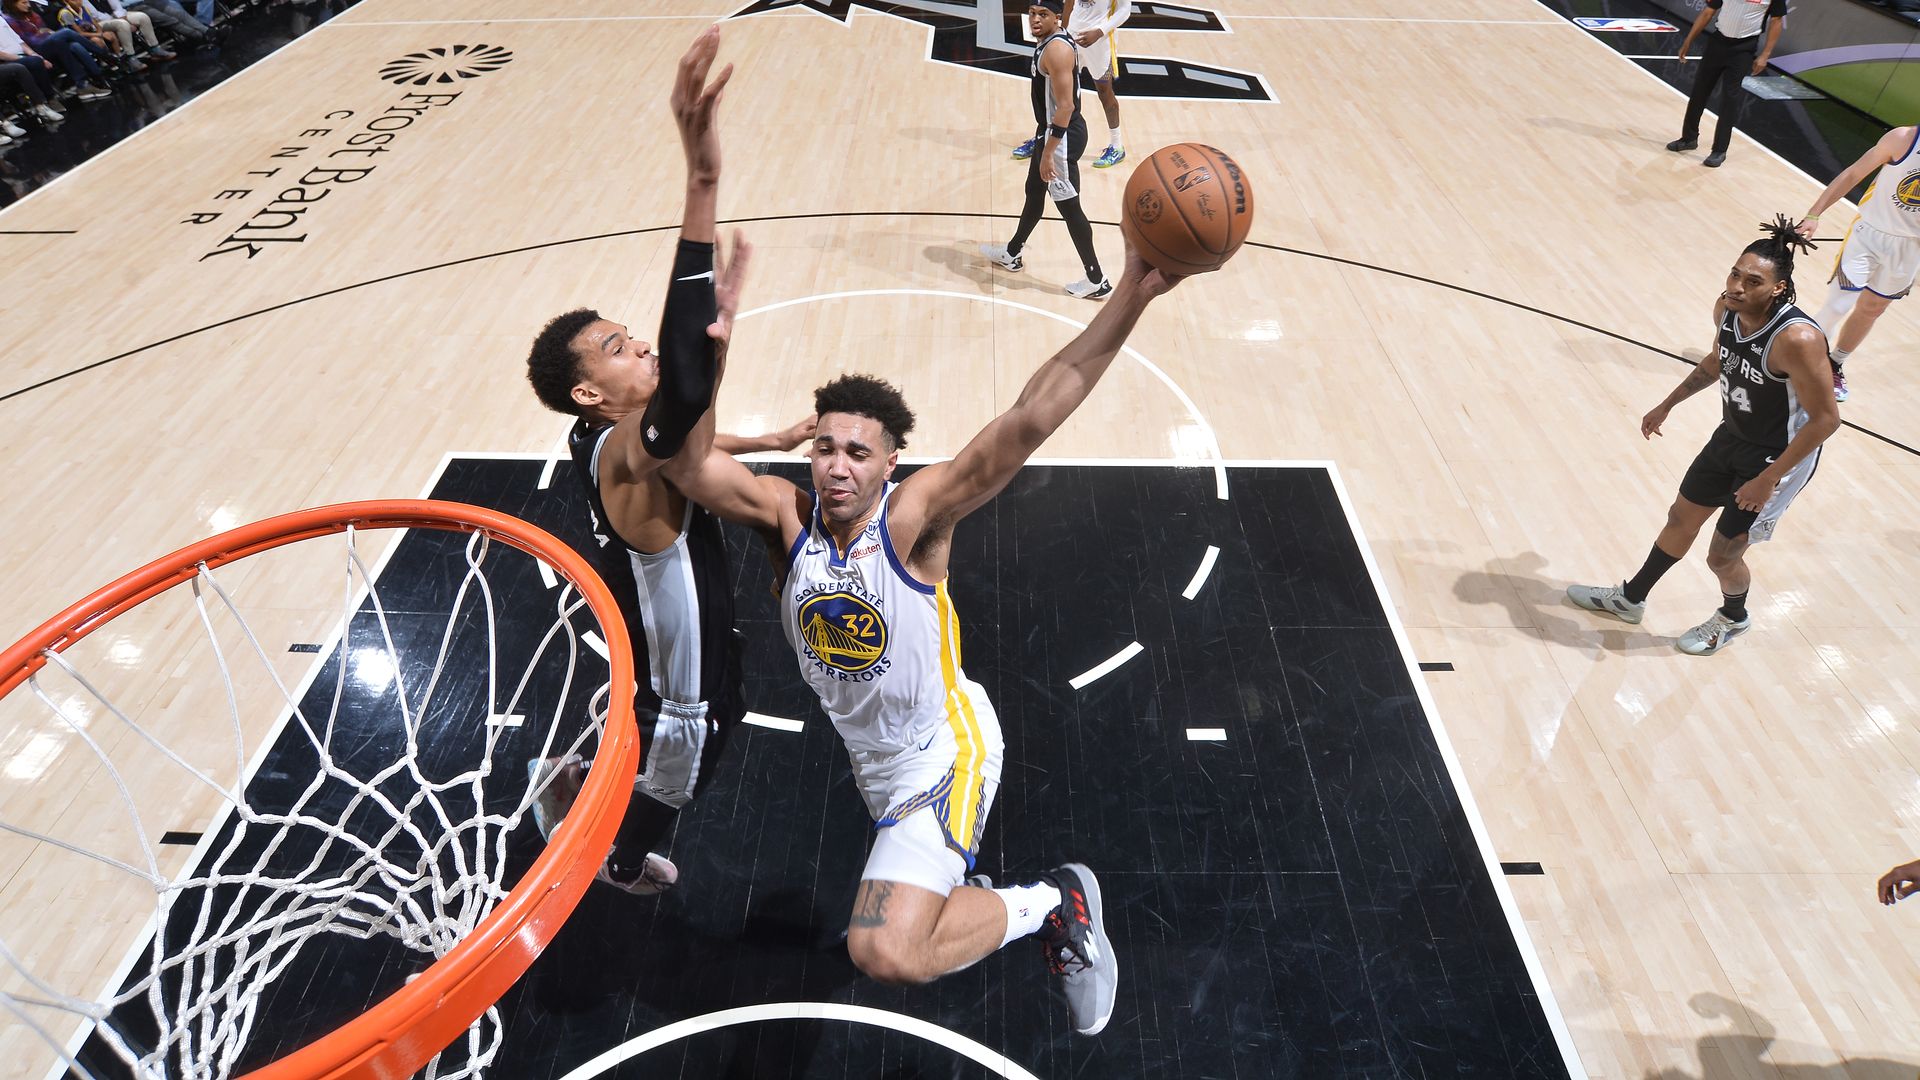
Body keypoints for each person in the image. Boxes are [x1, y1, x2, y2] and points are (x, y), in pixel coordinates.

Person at [664, 225, 1189, 1035]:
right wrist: (714, 356)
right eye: (828, 449)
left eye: (860, 455)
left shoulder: (912, 521)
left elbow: (1033, 413)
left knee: (885, 953)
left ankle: (1054, 901)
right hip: (876, 768)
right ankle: (995, 901)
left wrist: (1130, 293)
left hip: (946, 752)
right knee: (888, 937)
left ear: (891, 464)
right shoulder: (784, 517)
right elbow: (688, 463)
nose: (839, 467)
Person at [522, 27, 812, 895]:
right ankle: (615, 861)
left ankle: (570, 780)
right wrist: (703, 181)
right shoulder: (624, 448)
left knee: (637, 716)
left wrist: (763, 439)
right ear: (587, 392)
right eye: (616, 346)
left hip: (651, 637)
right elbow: (683, 400)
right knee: (685, 755)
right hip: (680, 673)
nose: (636, 343)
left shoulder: (606, 443)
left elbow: (689, 434)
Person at [1568, 218, 1839, 655]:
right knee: (1681, 517)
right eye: (1735, 273)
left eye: (1753, 281)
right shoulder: (1727, 310)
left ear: (1779, 290)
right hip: (1730, 437)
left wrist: (1769, 479)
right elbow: (1719, 360)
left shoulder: (1798, 338)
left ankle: (1734, 617)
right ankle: (1631, 598)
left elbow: (1826, 420)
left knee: (1722, 556)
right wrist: (1668, 402)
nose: (1737, 286)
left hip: (1777, 458)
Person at [981, 1, 1110, 299]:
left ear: (1058, 18)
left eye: (1043, 15)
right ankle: (1012, 253)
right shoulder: (1049, 42)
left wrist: (1049, 153)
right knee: (1034, 191)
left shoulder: (1057, 50)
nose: (1035, 20)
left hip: (1061, 138)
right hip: (1051, 132)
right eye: (1032, 14)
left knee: (1069, 207)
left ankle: (1096, 278)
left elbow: (1066, 107)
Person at [1794, 125, 1920, 402]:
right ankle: (1800, 356)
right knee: (1840, 303)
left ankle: (1835, 363)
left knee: (1872, 309)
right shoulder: (1902, 139)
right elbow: (1853, 173)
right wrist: (1814, 215)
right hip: (1869, 235)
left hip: (1911, 246)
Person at [1013, 0, 1131, 170]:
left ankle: (1117, 146)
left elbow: (1125, 10)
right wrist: (1063, 33)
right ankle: (1044, 137)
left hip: (1100, 42)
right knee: (1054, 89)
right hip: (1072, 35)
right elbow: (1069, 3)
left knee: (1105, 92)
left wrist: (1099, 32)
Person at [1666, 0, 1785, 168]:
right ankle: (1688, 138)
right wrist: (1689, 39)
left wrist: (1765, 54)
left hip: (1744, 48)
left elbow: (1776, 21)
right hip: (1718, 42)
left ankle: (1719, 150)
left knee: (1731, 98)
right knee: (1699, 91)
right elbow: (1709, 11)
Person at [3, 0, 111, 99]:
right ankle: (104, 55)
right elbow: (29, 41)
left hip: (48, 43)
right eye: (24, 2)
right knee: (65, 32)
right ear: (13, 5)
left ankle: (86, 83)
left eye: (28, 2)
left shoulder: (31, 14)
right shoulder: (10, 20)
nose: (28, 5)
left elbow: (44, 30)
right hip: (34, 50)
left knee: (73, 45)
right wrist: (47, 34)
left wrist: (47, 33)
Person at [0, 16, 71, 124]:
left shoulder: (1, 19)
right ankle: (45, 101)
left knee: (38, 59)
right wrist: (24, 58)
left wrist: (35, 55)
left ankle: (49, 100)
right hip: (6, 61)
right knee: (33, 62)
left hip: (22, 55)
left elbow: (20, 41)